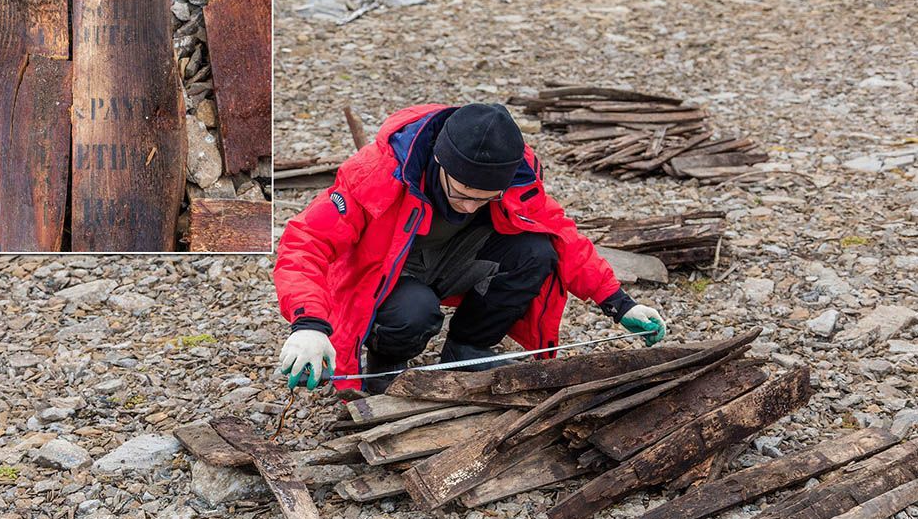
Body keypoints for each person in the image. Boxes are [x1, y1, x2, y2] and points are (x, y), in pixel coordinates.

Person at [273, 103, 667, 394]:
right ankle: (386, 361)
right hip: (390, 276)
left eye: (485, 199)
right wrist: (309, 325)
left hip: (456, 261)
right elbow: (303, 243)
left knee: (537, 250)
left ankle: (466, 349)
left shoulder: (516, 177)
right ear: (439, 164)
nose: (470, 206)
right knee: (415, 312)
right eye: (461, 195)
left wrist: (619, 303)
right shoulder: (376, 173)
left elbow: (565, 238)